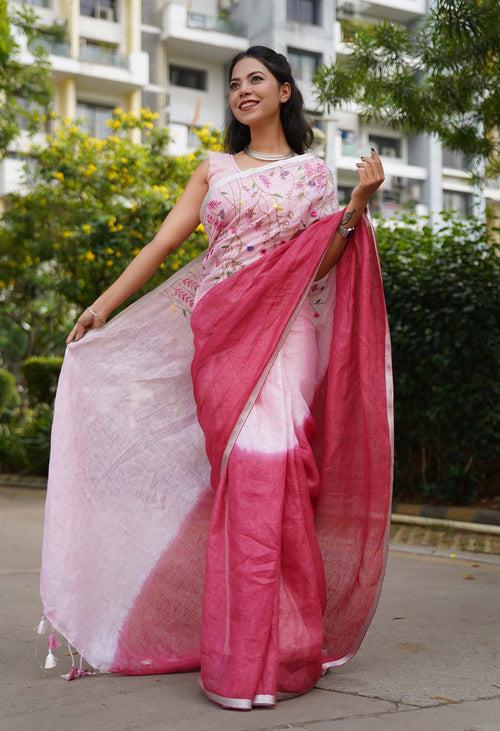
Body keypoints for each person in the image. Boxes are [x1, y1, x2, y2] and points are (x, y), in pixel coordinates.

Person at [36, 46, 393, 711]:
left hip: (286, 335)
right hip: (222, 338)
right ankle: (246, 649)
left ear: (285, 92)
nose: (242, 91)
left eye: (256, 79)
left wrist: (357, 205)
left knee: (274, 475)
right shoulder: (215, 169)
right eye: (234, 84)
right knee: (244, 479)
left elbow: (318, 267)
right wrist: (103, 304)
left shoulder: (311, 174)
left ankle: (279, 652)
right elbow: (163, 244)